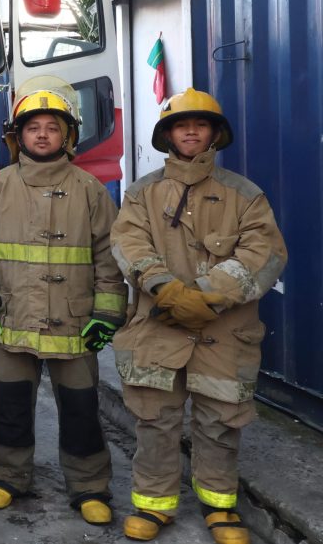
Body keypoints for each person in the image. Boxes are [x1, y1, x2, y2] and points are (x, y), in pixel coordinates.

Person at [111, 89, 287, 544]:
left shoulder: (246, 195)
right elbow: (129, 244)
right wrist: (165, 289)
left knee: (220, 420)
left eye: (201, 124)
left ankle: (218, 507)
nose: (191, 131)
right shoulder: (141, 194)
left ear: (214, 134)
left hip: (225, 332)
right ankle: (153, 505)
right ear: (167, 133)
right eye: (181, 124)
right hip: (157, 327)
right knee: (155, 420)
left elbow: (263, 252)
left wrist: (206, 296)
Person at [0, 79, 126, 525]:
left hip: (75, 326)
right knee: (9, 405)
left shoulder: (91, 190)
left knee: (81, 411)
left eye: (51, 127)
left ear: (67, 136)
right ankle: (8, 478)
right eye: (32, 127)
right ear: (17, 136)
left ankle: (90, 487)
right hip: (11, 321)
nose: (41, 134)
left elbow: (108, 257)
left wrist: (107, 314)